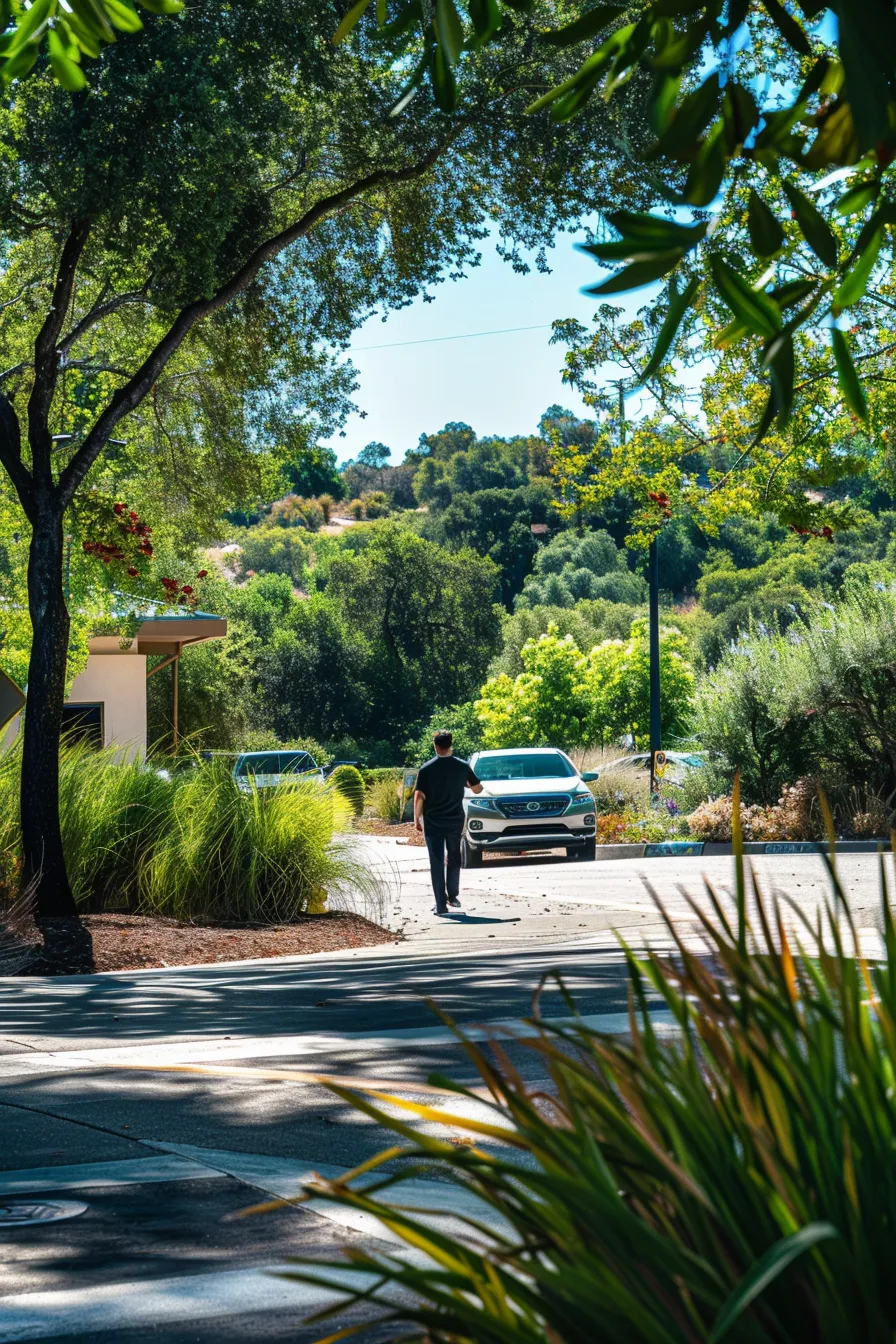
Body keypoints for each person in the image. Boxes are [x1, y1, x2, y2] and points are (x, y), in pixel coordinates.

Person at [413, 730, 484, 916]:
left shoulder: (426, 769)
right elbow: (477, 789)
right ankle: (453, 895)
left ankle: (440, 904)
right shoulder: (462, 766)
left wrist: (416, 819)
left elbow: (419, 796)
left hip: (433, 821)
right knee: (454, 857)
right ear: (451, 744)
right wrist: (469, 784)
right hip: (455, 820)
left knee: (436, 861)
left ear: (435, 746)